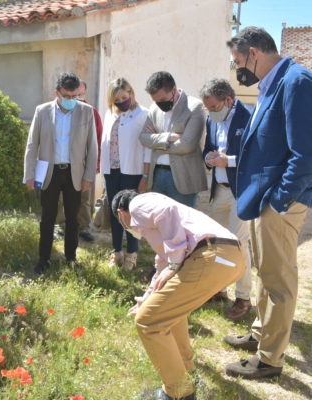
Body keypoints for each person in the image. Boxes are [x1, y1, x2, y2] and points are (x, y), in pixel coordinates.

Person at [223, 26, 312, 380]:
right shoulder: (273, 83)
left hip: (280, 203)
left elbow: (305, 154)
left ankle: (269, 359)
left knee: (278, 282)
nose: (238, 69)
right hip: (263, 200)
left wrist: (278, 201)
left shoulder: (297, 82)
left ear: (254, 53)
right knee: (266, 274)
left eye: (238, 61)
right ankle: (261, 333)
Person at [112, 189, 245, 400]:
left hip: (211, 256)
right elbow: (163, 268)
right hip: (229, 257)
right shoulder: (163, 230)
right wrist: (147, 299)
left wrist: (174, 263)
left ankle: (178, 392)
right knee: (168, 311)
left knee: (148, 321)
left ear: (121, 212)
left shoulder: (138, 204)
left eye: (121, 221)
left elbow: (168, 211)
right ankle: (186, 371)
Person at [24, 72, 97, 274]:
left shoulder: (86, 112)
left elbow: (93, 146)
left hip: (75, 173)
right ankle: (43, 260)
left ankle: (71, 258)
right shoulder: (42, 111)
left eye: (75, 96)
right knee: (48, 217)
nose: (71, 100)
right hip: (49, 173)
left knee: (73, 218)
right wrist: (29, 173)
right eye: (67, 96)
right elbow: (32, 144)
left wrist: (89, 176)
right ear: (57, 93)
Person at [199, 78, 253, 320]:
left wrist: (228, 161)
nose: (210, 113)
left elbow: (255, 156)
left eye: (212, 107)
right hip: (218, 189)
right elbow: (208, 147)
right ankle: (220, 290)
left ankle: (243, 298)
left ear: (228, 100)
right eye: (207, 109)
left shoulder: (249, 116)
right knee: (219, 242)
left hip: (240, 191)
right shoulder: (213, 119)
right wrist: (209, 158)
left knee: (239, 245)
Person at [100, 77, 151, 270]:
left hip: (132, 170)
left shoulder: (143, 114)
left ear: (131, 92)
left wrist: (145, 175)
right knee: (115, 212)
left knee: (131, 214)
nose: (122, 101)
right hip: (111, 170)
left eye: (125, 96)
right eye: (117, 99)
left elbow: (148, 148)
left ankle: (132, 254)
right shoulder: (110, 114)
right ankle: (117, 253)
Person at [139, 71, 207, 208]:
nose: (159, 104)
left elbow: (187, 145)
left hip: (182, 178)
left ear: (174, 89)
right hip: (157, 175)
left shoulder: (194, 107)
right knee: (160, 224)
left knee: (181, 226)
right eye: (156, 101)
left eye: (163, 100)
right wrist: (169, 137)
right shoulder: (154, 108)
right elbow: (143, 138)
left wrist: (157, 145)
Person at [55, 79, 103, 242]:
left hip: (82, 165)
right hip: (61, 164)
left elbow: (97, 140)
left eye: (79, 94)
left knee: (83, 199)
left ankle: (83, 227)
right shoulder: (59, 110)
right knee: (60, 198)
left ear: (84, 93)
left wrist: (95, 164)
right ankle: (61, 226)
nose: (76, 98)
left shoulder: (90, 112)